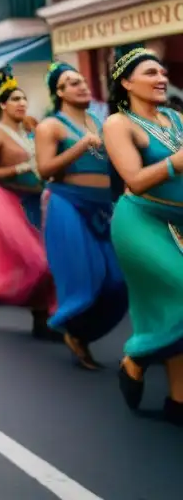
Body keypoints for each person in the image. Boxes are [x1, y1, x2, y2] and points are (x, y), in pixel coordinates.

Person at [102, 46, 183, 423]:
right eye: (151, 73)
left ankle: (178, 401)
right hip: (141, 222)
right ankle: (135, 356)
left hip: (180, 222)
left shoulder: (174, 118)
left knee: (172, 308)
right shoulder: (119, 123)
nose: (161, 78)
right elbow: (133, 180)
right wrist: (175, 163)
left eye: (162, 72)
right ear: (126, 82)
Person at [35, 62, 127, 370]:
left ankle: (81, 333)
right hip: (67, 204)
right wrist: (81, 146)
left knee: (117, 283)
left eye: (83, 82)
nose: (82, 86)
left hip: (103, 207)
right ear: (58, 92)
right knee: (86, 277)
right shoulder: (51, 126)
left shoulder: (100, 122)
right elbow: (45, 170)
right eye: (72, 83)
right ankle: (72, 330)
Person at [0, 68, 58, 340]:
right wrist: (19, 168)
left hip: (39, 202)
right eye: (15, 99)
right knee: (37, 263)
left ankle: (41, 320)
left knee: (51, 263)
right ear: (2, 104)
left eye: (24, 99)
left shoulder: (33, 128)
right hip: (8, 202)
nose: (22, 103)